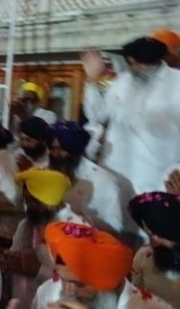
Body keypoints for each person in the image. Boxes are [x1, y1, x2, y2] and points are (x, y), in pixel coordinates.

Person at [82, 37, 180, 195]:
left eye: (139, 64)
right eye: (130, 63)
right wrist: (92, 81)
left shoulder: (176, 83)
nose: (134, 68)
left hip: (157, 178)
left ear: (155, 61)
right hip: (114, 173)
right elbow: (97, 116)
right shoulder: (122, 82)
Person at [33, 221, 172, 308]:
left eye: (80, 284)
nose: (68, 290)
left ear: (108, 280)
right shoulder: (47, 292)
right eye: (62, 278)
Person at [2, 168, 84, 308]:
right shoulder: (27, 223)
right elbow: (16, 258)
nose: (28, 207)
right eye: (26, 200)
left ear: (52, 200)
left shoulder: (73, 230)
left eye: (34, 201)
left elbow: (79, 284)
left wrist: (38, 270)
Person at [49, 121, 135, 240]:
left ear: (75, 151)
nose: (55, 154)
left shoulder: (101, 179)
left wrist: (83, 215)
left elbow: (115, 228)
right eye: (52, 149)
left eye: (62, 150)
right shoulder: (48, 172)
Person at [128, 192, 180, 307]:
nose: (154, 240)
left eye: (162, 236)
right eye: (150, 234)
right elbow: (137, 290)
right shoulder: (144, 256)